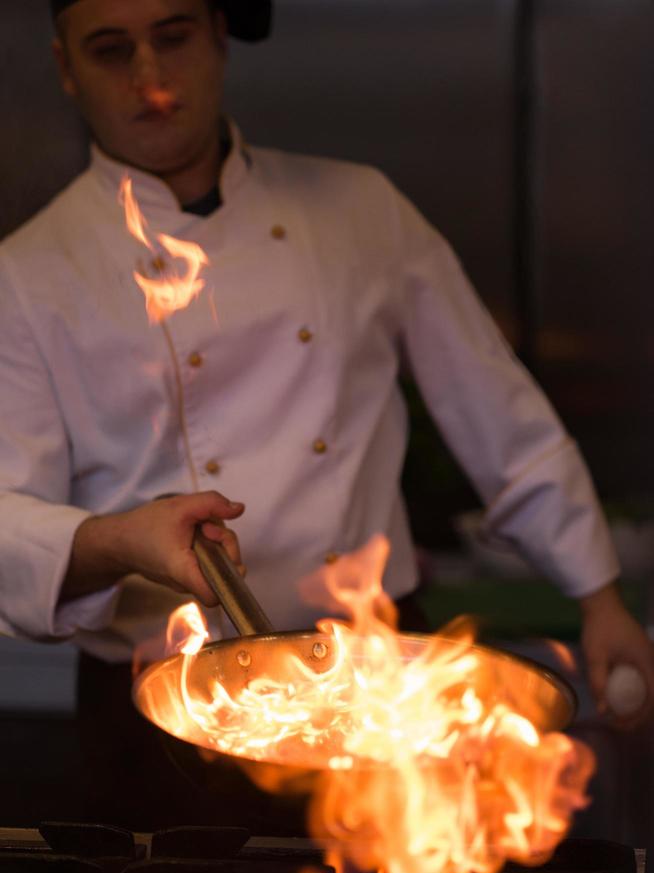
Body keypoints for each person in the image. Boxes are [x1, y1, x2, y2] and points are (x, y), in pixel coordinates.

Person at [0, 0, 652, 826]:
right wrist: (121, 540)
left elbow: (497, 408)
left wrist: (598, 595)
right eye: (110, 50)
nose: (150, 77)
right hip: (167, 709)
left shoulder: (361, 211)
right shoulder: (26, 275)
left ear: (218, 37)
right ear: (65, 66)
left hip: (381, 675)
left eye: (173, 37)